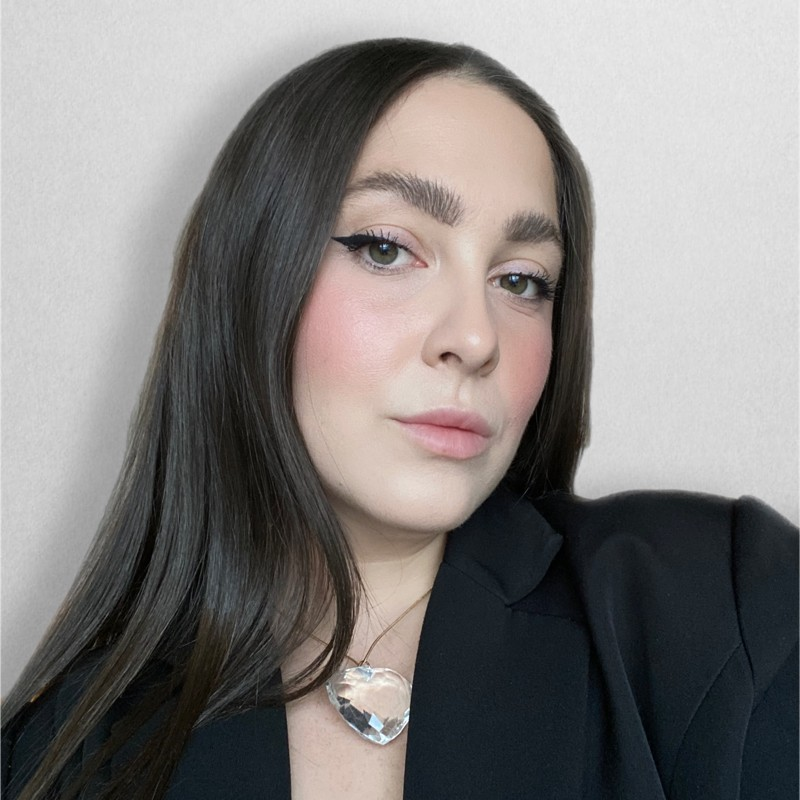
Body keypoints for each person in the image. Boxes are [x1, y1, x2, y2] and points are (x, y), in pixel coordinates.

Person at [2, 37, 796, 800]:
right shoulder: (61, 758)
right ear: (250, 279)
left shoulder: (722, 609)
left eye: (521, 280)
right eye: (386, 249)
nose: (476, 338)